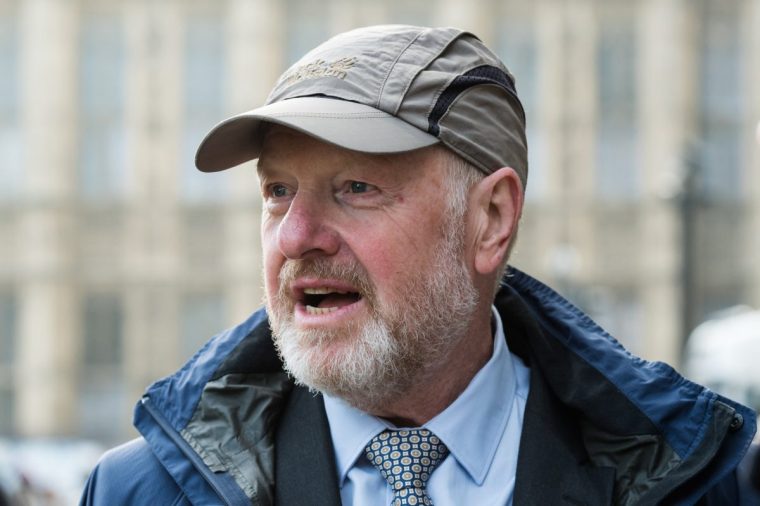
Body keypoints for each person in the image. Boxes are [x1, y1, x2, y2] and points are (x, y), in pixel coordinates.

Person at [80, 25, 758, 505]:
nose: (296, 236)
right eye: (277, 191)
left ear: (490, 219)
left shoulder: (705, 485)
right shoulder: (139, 492)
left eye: (356, 189)